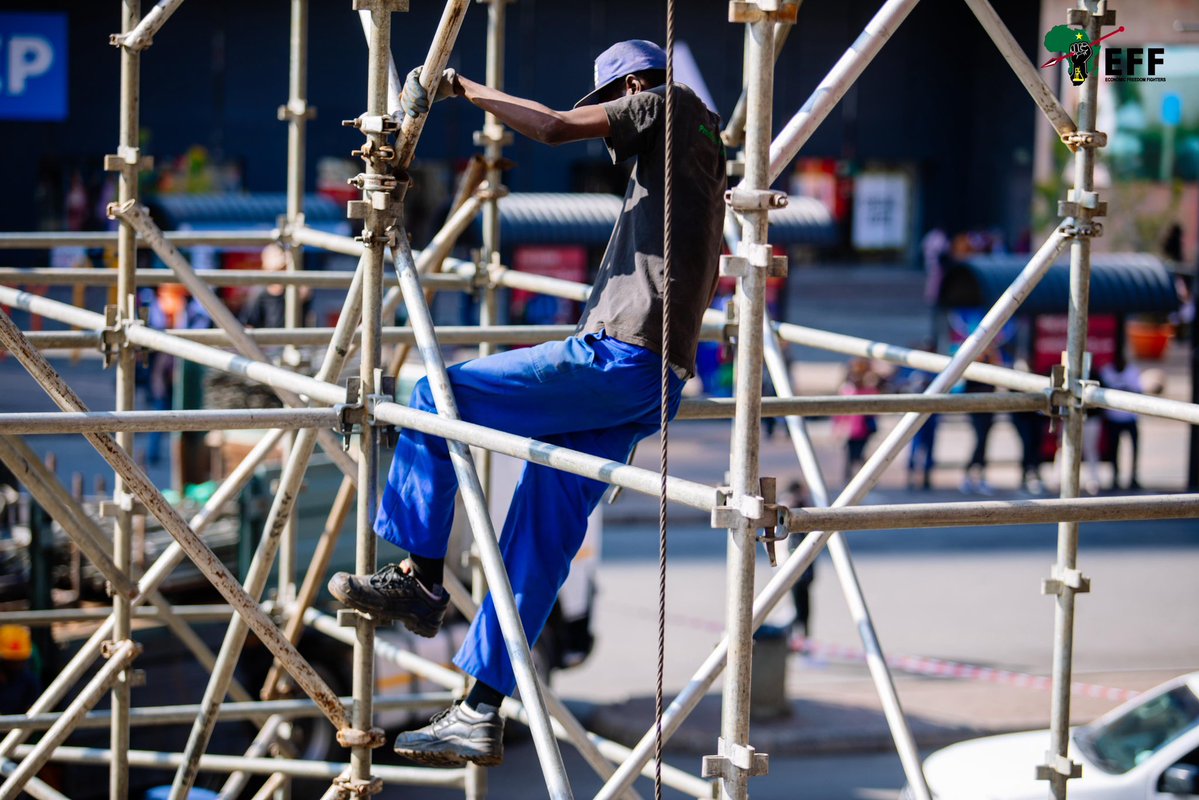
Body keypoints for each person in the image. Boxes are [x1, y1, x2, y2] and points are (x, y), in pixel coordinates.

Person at [327, 40, 726, 767]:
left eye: (606, 106)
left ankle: (418, 579)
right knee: (539, 536)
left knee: (435, 393)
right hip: (652, 382)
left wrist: (460, 86)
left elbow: (548, 127)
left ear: (630, 85)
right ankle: (479, 710)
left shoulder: (660, 103)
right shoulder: (698, 149)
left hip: (618, 358)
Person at [238, 244, 310, 330]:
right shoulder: (260, 293)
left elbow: (306, 293)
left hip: (294, 339)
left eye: (284, 268)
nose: (282, 272)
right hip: (269, 340)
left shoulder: (296, 289)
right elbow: (248, 323)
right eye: (278, 270)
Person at [1100, 352, 1143, 490]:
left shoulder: (1132, 371)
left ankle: (1134, 477)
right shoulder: (1107, 371)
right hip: (1113, 419)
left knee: (1135, 449)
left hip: (1130, 418)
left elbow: (1139, 391)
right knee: (1114, 450)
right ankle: (1115, 477)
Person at [833, 358, 880, 482]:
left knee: (857, 455)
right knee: (851, 455)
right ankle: (854, 478)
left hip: (862, 429)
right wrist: (838, 426)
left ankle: (864, 477)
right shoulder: (848, 389)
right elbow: (840, 412)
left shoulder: (866, 389)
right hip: (852, 429)